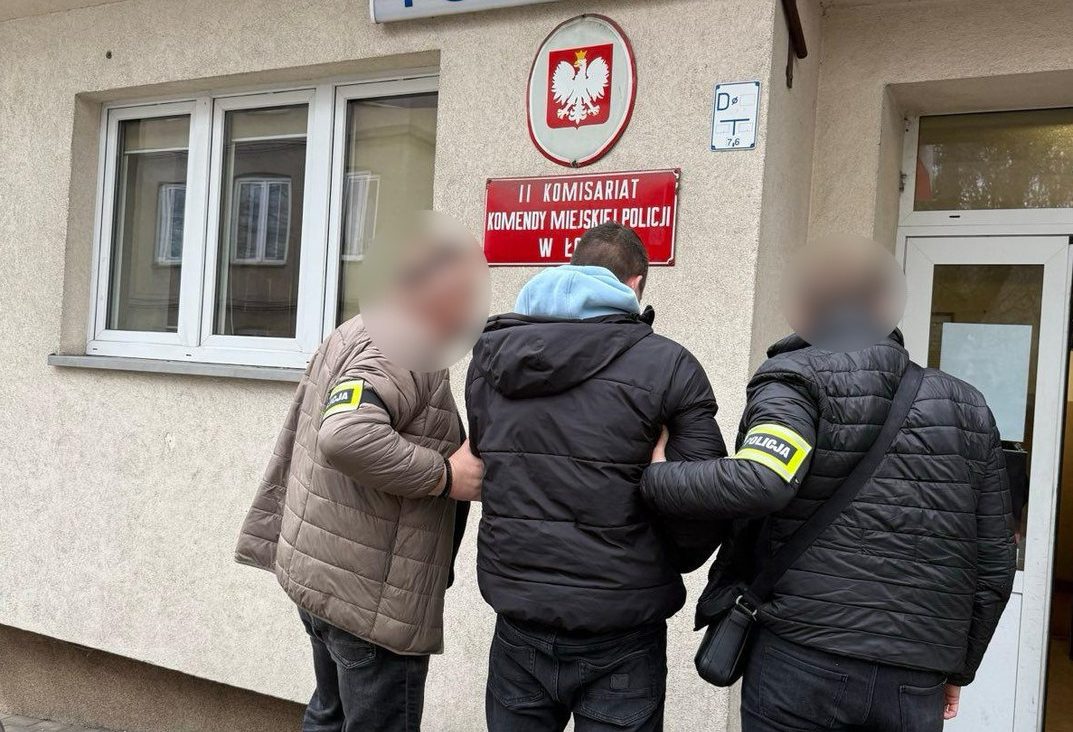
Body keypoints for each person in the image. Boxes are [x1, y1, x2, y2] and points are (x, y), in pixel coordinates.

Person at [641, 240, 1016, 732]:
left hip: (800, 661)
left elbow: (762, 477)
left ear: (807, 308)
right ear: (885, 305)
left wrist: (656, 476)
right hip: (914, 678)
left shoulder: (794, 379)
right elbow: (995, 564)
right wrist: (960, 667)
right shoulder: (969, 406)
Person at [465, 222, 728, 732]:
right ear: (634, 285)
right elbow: (705, 502)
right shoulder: (669, 365)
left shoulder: (493, 358)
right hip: (622, 629)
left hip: (520, 617)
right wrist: (666, 559)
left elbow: (487, 459)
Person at [234, 221, 486, 732]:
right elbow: (345, 435)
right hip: (369, 601)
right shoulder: (401, 347)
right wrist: (445, 475)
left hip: (334, 579)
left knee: (329, 716)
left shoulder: (365, 328)